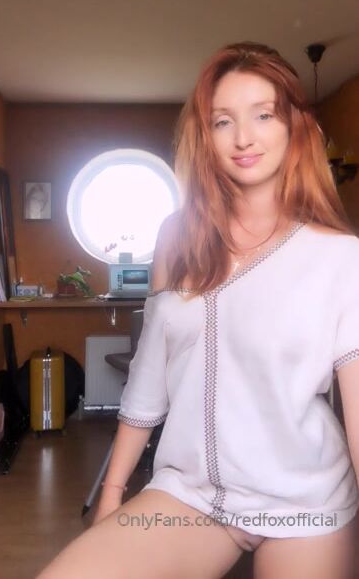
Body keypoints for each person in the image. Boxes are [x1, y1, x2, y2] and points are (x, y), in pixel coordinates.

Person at [37, 42, 359, 578]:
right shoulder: (176, 237)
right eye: (223, 121)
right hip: (190, 495)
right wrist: (112, 491)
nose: (243, 137)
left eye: (264, 115)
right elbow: (150, 376)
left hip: (305, 501)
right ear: (205, 136)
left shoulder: (341, 258)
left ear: (294, 127)